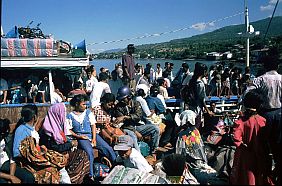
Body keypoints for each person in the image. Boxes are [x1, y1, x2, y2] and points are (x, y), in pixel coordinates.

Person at [242, 48, 281, 185]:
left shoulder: (261, 79)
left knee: (263, 144)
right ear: (277, 66)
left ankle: (264, 173)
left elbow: (247, 94)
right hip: (280, 114)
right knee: (277, 144)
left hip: (266, 115)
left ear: (265, 66)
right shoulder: (281, 79)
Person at [13, 104, 70, 184]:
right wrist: (35, 155)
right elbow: (17, 152)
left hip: (37, 158)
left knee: (59, 163)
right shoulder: (21, 130)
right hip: (29, 163)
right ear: (35, 117)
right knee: (52, 170)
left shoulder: (31, 130)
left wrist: (40, 150)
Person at [67, 94, 116, 180]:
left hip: (92, 134)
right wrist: (78, 136)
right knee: (89, 152)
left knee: (107, 148)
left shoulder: (88, 112)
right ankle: (90, 175)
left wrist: (94, 139)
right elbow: (69, 130)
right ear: (77, 104)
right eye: (83, 104)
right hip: (81, 137)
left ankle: (116, 165)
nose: (85, 106)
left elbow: (93, 125)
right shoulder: (70, 116)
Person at [230, 90, 274, 185]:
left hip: (245, 155)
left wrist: (243, 145)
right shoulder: (263, 121)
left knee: (247, 177)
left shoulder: (241, 122)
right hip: (261, 154)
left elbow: (236, 138)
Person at [39, 103, 90, 184]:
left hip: (61, 152)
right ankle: (74, 179)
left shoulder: (57, 125)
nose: (64, 115)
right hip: (54, 155)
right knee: (81, 155)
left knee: (83, 154)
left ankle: (78, 178)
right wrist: (70, 144)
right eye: (62, 113)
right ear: (57, 114)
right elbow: (54, 147)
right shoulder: (48, 130)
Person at [112, 86, 163, 155]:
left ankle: (154, 149)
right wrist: (135, 131)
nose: (122, 101)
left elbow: (138, 116)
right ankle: (138, 156)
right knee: (133, 137)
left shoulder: (136, 103)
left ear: (129, 97)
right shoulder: (118, 107)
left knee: (155, 128)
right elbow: (123, 124)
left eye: (124, 99)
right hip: (127, 128)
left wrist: (125, 117)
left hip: (137, 126)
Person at [0, 118, 34, 183]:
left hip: (6, 165)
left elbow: (12, 159)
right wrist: (10, 177)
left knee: (29, 177)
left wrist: (12, 176)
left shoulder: (7, 140)